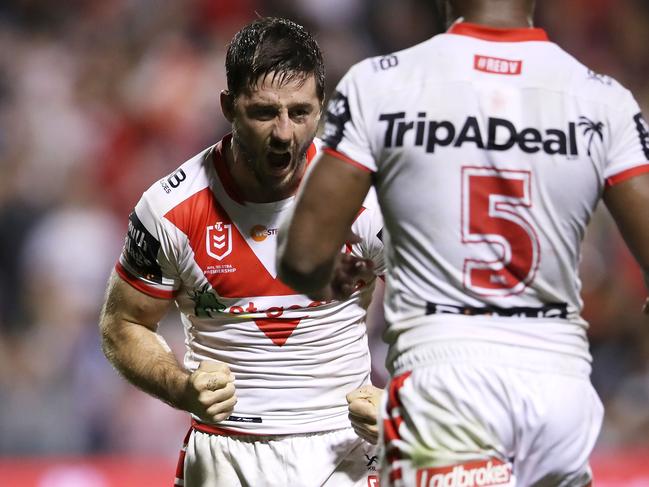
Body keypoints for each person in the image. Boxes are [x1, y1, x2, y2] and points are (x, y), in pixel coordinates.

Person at [277, 0, 649, 485]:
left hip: (445, 378)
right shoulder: (603, 99)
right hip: (559, 384)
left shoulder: (384, 84)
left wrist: (329, 271)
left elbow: (302, 255)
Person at [99, 17, 386, 487]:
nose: (284, 134)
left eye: (300, 112)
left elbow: (442, 311)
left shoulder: (370, 195)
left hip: (343, 449)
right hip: (224, 455)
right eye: (264, 112)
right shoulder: (169, 209)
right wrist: (180, 387)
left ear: (323, 109)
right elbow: (124, 322)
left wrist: (402, 404)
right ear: (229, 107)